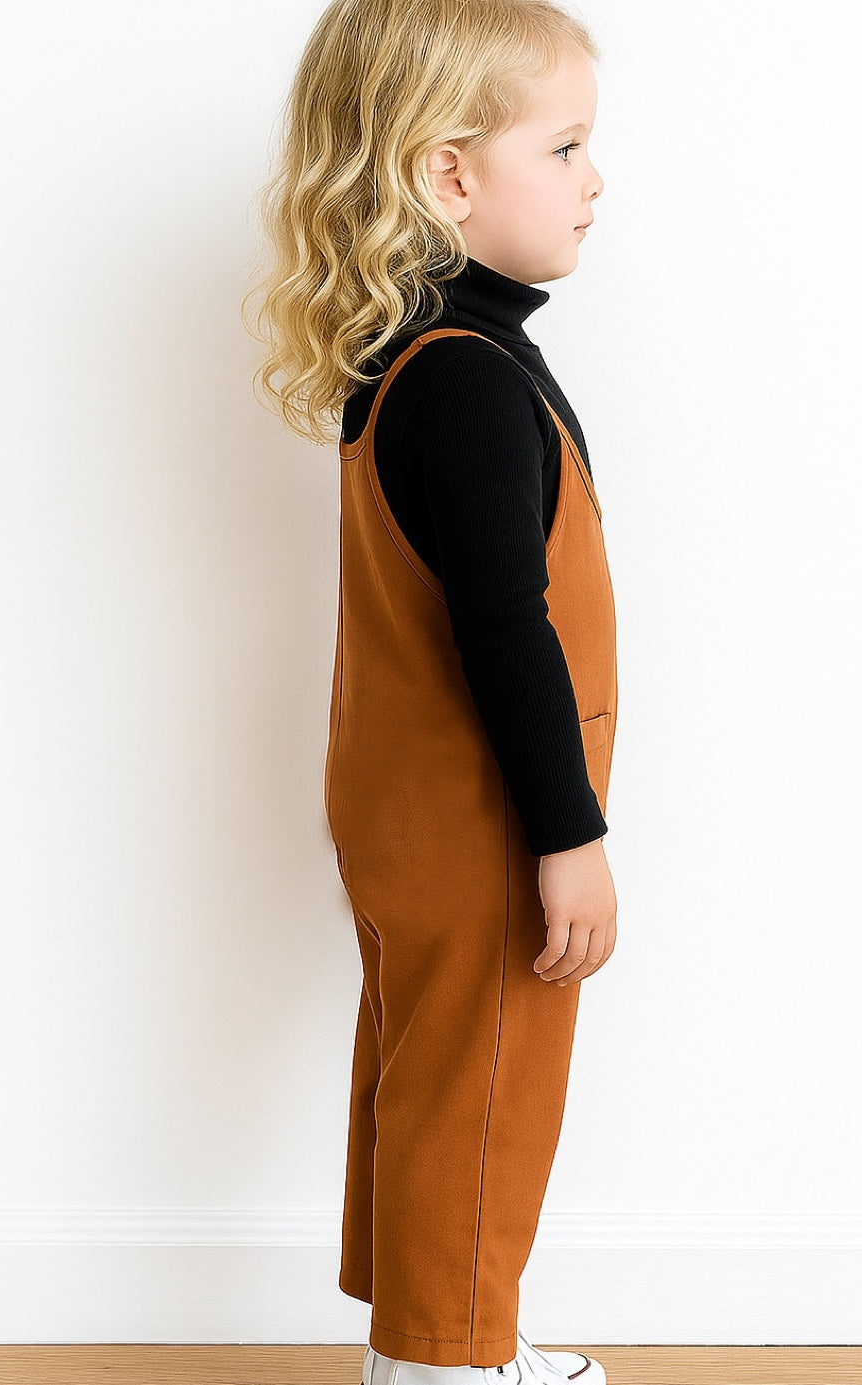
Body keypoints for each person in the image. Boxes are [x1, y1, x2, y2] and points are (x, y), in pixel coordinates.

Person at [244, 2, 619, 1382]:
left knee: (431, 1067)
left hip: (405, 796)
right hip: (480, 811)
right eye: (566, 144)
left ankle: (435, 1334)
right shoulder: (463, 378)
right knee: (488, 1083)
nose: (595, 177)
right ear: (449, 176)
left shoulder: (418, 355)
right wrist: (567, 838)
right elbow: (504, 634)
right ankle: (448, 1361)